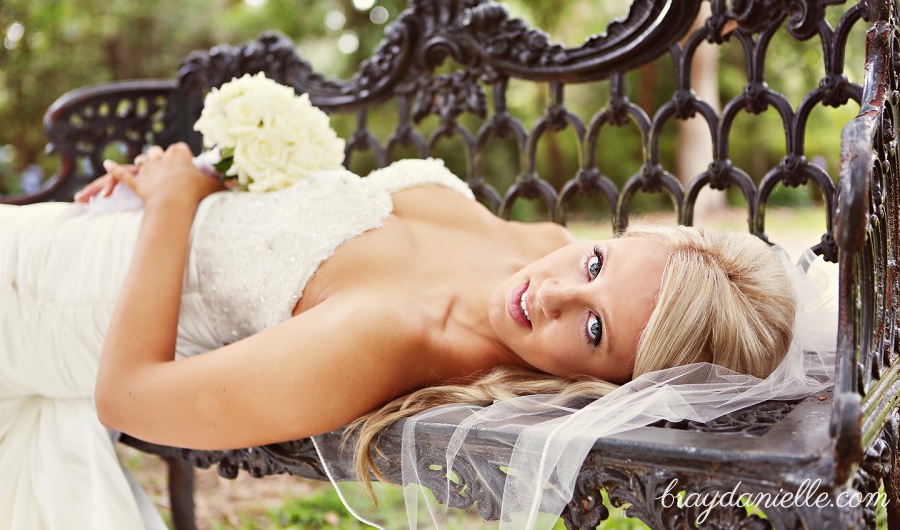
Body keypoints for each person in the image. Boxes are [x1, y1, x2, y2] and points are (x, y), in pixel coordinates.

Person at [0, 143, 825, 530]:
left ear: (611, 385)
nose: (553, 292)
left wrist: (177, 202)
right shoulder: (533, 248)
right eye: (598, 260)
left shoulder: (391, 334)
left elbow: (129, 397)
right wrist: (183, 189)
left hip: (36, 314)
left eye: (596, 329)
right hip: (66, 237)